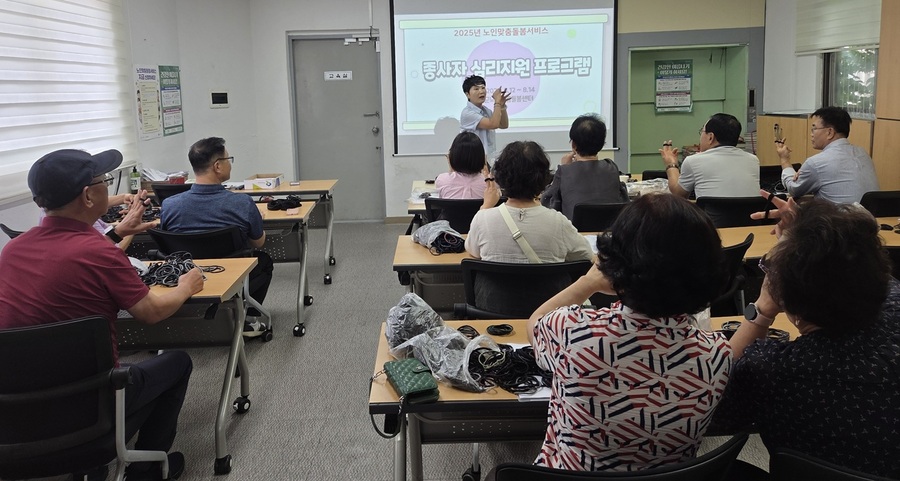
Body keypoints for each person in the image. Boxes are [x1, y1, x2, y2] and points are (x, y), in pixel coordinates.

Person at [0, 149, 204, 481]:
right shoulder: (99, 254)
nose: (107, 187)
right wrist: (185, 286)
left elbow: (71, 254)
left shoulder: (12, 251)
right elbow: (151, 313)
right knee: (177, 362)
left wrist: (117, 233)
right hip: (90, 407)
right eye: (105, 181)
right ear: (88, 195)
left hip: (18, 411)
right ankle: (149, 469)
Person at [523, 193, 731, 473]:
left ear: (615, 263)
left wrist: (588, 282)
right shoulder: (718, 354)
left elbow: (535, 323)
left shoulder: (575, 333)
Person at [710, 192, 899, 478]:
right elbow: (859, 261)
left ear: (785, 299)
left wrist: (760, 310)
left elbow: (709, 403)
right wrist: (810, 233)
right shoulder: (894, 302)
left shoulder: (771, 370)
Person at [159, 137, 273, 338]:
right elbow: (259, 242)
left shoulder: (170, 205)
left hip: (185, 276)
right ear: (218, 166)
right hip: (230, 277)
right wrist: (257, 220)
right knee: (264, 261)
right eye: (228, 158)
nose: (230, 163)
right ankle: (246, 319)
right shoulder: (242, 204)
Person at [465, 140, 592, 263]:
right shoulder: (558, 222)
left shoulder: (483, 219)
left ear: (501, 176)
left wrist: (485, 207)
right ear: (543, 177)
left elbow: (473, 250)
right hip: (548, 285)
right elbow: (586, 254)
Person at [775, 106, 879, 203]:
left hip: (838, 221)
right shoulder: (863, 154)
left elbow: (794, 190)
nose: (811, 134)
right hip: (871, 220)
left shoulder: (816, 163)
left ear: (830, 132)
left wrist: (784, 160)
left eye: (814, 129)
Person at [541, 114, 628, 220]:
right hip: (607, 232)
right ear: (602, 144)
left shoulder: (564, 171)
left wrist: (565, 166)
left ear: (573, 145)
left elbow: (547, 204)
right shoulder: (611, 167)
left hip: (574, 233)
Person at [659, 113, 760, 199]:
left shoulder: (693, 161)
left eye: (702, 132)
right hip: (751, 221)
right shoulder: (753, 160)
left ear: (710, 137)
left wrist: (671, 164)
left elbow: (678, 195)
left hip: (710, 222)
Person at [459, 75, 511, 159]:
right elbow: (493, 124)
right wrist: (497, 103)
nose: (481, 91)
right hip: (473, 159)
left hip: (488, 158)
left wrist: (502, 106)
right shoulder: (467, 113)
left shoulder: (486, 111)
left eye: (483, 88)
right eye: (476, 89)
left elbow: (503, 125)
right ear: (467, 94)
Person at [435, 132, 488, 199]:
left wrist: (452, 166)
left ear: (453, 156)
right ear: (482, 157)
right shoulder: (489, 184)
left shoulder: (441, 180)